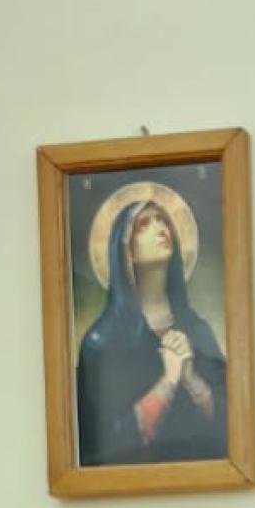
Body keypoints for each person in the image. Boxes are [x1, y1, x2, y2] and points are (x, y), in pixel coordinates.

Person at [75, 194, 227, 466]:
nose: (160, 229)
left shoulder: (198, 330)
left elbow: (230, 429)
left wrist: (193, 380)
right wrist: (167, 383)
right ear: (126, 251)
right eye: (144, 225)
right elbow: (100, 445)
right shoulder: (102, 342)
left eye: (163, 221)